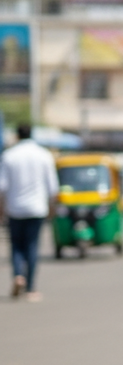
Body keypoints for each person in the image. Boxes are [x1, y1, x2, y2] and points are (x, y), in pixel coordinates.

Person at [0, 123, 59, 302]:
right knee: (32, 246)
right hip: (36, 208)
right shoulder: (44, 155)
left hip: (15, 209)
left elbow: (2, 187)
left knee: (16, 246)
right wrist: (51, 209)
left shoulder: (9, 155)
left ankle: (18, 275)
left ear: (17, 135)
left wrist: (1, 210)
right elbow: (53, 188)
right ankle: (31, 288)